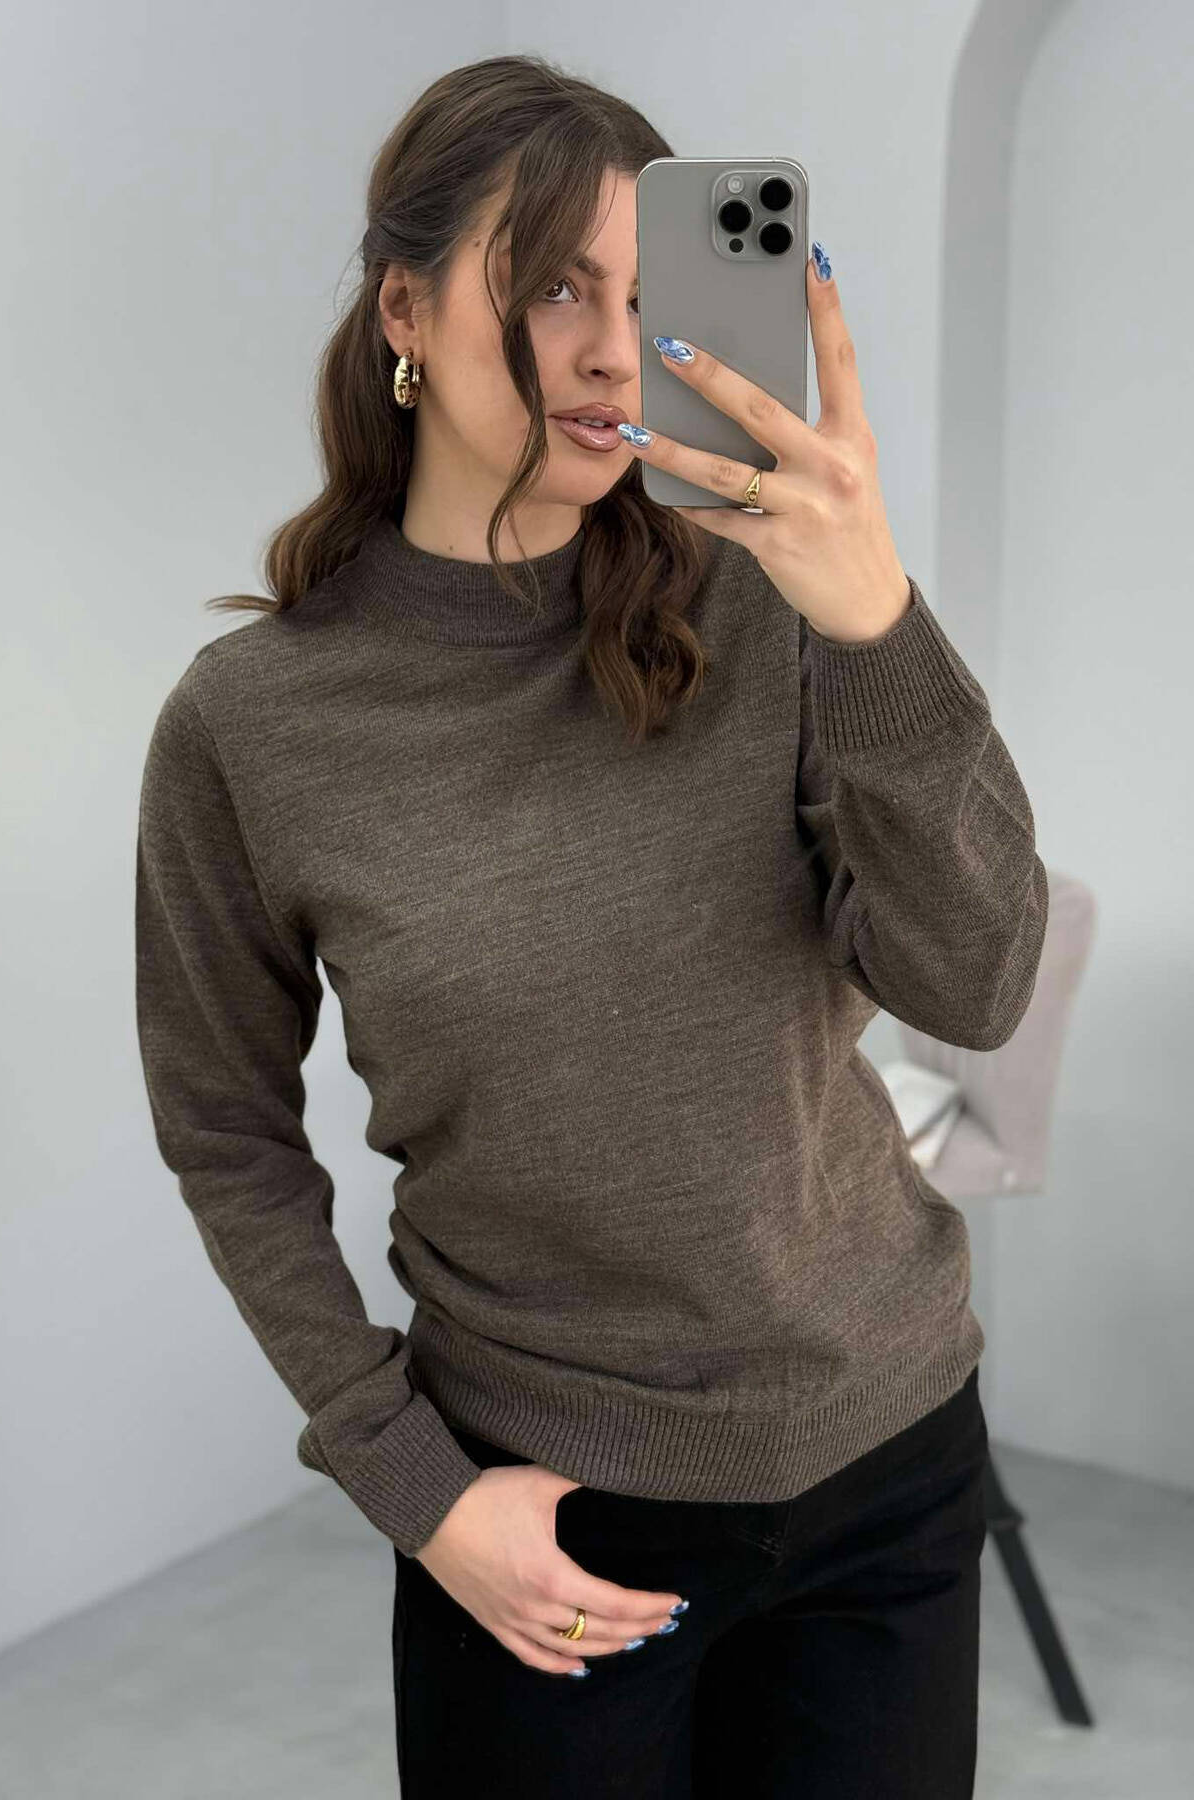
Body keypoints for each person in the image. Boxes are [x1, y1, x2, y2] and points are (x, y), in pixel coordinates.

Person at [134, 52, 1047, 1799]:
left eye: (646, 292)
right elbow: (226, 1131)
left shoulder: (772, 609)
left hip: (888, 1463)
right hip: (548, 1523)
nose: (618, 349)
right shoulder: (253, 724)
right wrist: (415, 1486)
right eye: (555, 285)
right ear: (405, 310)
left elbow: (977, 983)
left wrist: (875, 620)